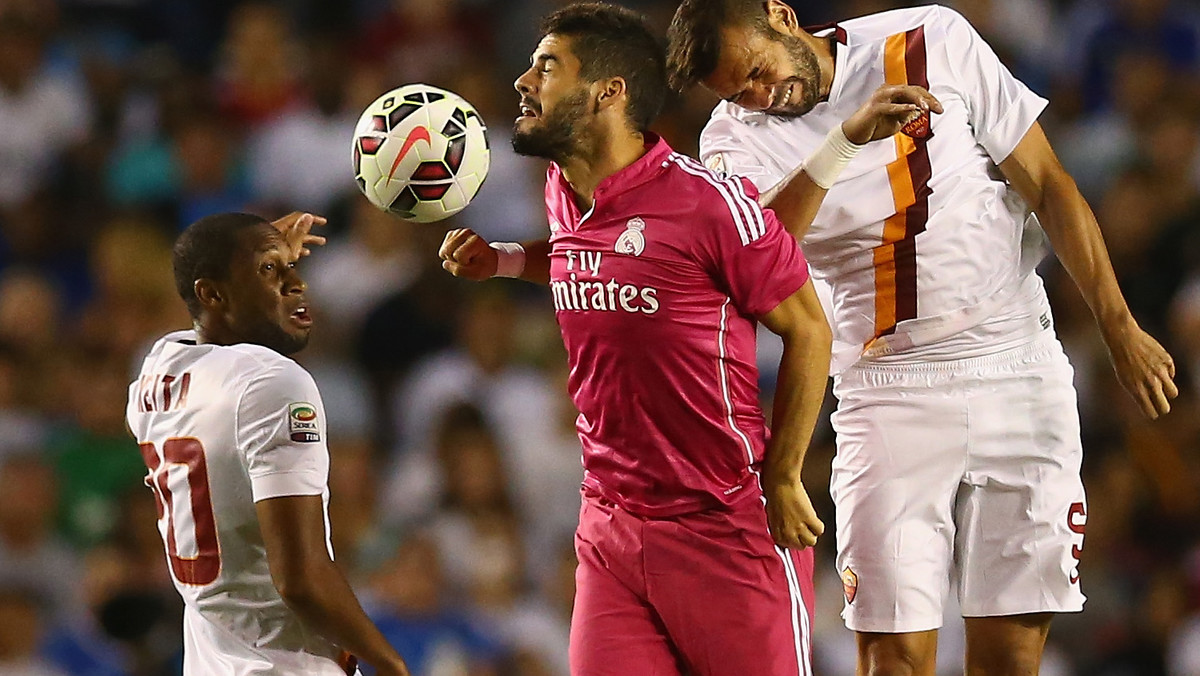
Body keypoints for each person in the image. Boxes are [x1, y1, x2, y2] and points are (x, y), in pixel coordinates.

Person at [664, 1, 1180, 674]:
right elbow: (759, 263)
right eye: (738, 92)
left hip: (1015, 359)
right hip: (886, 390)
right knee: (895, 658)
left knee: (1012, 656)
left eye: (758, 72)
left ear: (782, 16)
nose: (760, 97)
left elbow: (1049, 184)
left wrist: (1118, 326)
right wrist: (842, 141)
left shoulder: (931, 36)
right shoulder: (732, 138)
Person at [438, 3, 926, 674]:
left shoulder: (707, 204)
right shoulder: (561, 186)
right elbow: (586, 256)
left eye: (546, 67)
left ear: (607, 93)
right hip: (610, 525)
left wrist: (783, 476)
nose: (523, 81)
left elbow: (809, 330)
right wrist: (502, 261)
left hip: (724, 527)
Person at [124, 211, 410, 676]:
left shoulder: (157, 372)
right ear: (212, 292)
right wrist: (393, 665)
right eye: (271, 270)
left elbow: (198, 320)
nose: (297, 283)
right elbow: (300, 578)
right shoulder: (272, 381)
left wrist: (250, 257)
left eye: (289, 267)